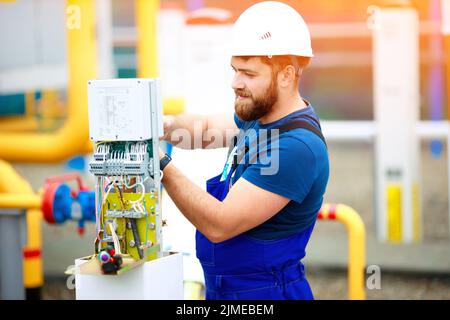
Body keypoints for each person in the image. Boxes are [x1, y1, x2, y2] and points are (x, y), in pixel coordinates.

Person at [159, 1, 329, 300]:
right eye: (235, 70)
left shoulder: (296, 147)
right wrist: (163, 126)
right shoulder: (260, 117)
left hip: (267, 293)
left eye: (249, 74)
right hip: (228, 290)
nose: (236, 83)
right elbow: (207, 129)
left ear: (287, 75)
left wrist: (160, 165)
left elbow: (219, 224)